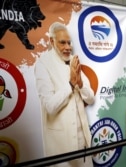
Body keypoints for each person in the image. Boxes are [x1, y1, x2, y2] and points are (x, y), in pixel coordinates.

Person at [34, 22, 95, 167]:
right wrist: (70, 85)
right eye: (62, 43)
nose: (68, 47)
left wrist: (80, 84)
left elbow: (91, 99)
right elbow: (50, 106)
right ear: (51, 41)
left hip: (83, 145)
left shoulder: (74, 60)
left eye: (69, 42)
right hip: (60, 146)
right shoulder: (43, 64)